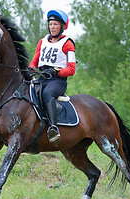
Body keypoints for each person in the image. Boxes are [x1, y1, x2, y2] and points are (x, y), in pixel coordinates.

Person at [28, 9, 76, 143]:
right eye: (50, 24)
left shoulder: (68, 43)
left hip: (57, 81)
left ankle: (53, 128)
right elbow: (35, 61)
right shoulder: (42, 41)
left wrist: (57, 71)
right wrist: (31, 68)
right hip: (42, 78)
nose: (52, 27)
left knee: (47, 93)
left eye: (55, 24)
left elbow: (71, 69)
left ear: (62, 27)